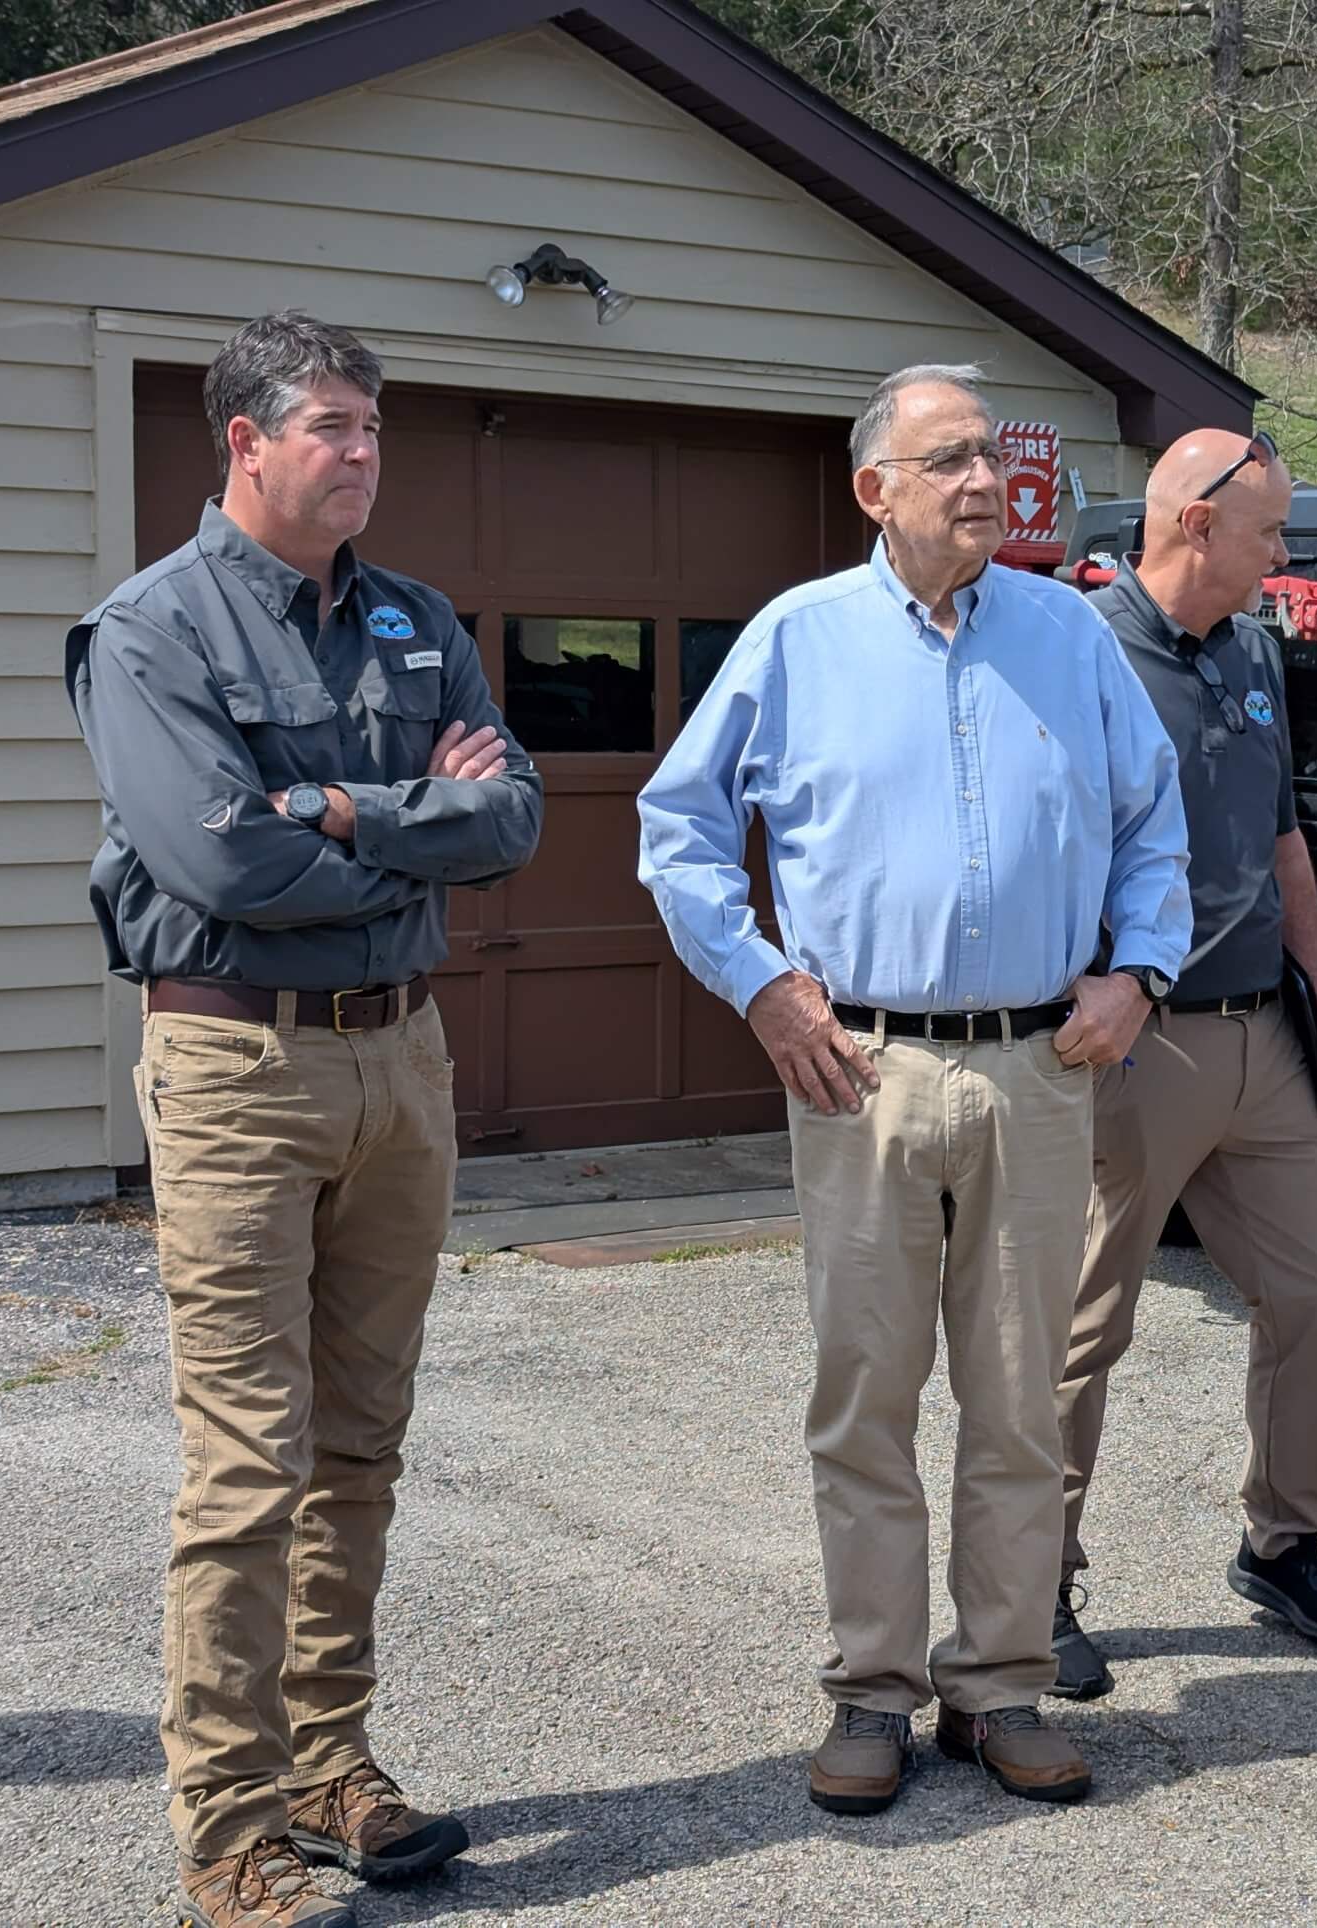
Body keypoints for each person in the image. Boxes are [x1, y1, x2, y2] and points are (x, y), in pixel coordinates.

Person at [636, 363, 1189, 1817]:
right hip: (859, 1072)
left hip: (1039, 1069)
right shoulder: (796, 639)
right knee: (867, 1402)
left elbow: (1155, 829)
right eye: (945, 460)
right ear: (874, 488)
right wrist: (762, 985)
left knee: (1018, 1405)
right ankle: (871, 1694)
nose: (984, 481)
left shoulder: (1069, 634)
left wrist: (1139, 970)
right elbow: (679, 830)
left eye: (993, 458)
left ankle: (999, 1684)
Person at [65, 312, 543, 1928]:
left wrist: (343, 804)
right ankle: (226, 1826)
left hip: (400, 1061)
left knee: (362, 1442)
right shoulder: (152, 631)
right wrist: (419, 825)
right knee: (248, 1460)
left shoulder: (410, 619)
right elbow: (221, 867)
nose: (359, 453)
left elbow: (516, 816)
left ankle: (329, 1759)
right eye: (330, 425)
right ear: (243, 443)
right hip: (235, 1073)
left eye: (372, 428)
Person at [1049, 429, 1317, 1699]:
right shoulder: (1082, 653)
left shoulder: (1251, 648)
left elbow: (1283, 832)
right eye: (1268, 531)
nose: (1284, 553)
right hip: (1136, 1042)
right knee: (1083, 1327)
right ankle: (1041, 1576)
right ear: (1195, 523)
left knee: (1311, 1296)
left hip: (1261, 1033)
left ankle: (1282, 1542)